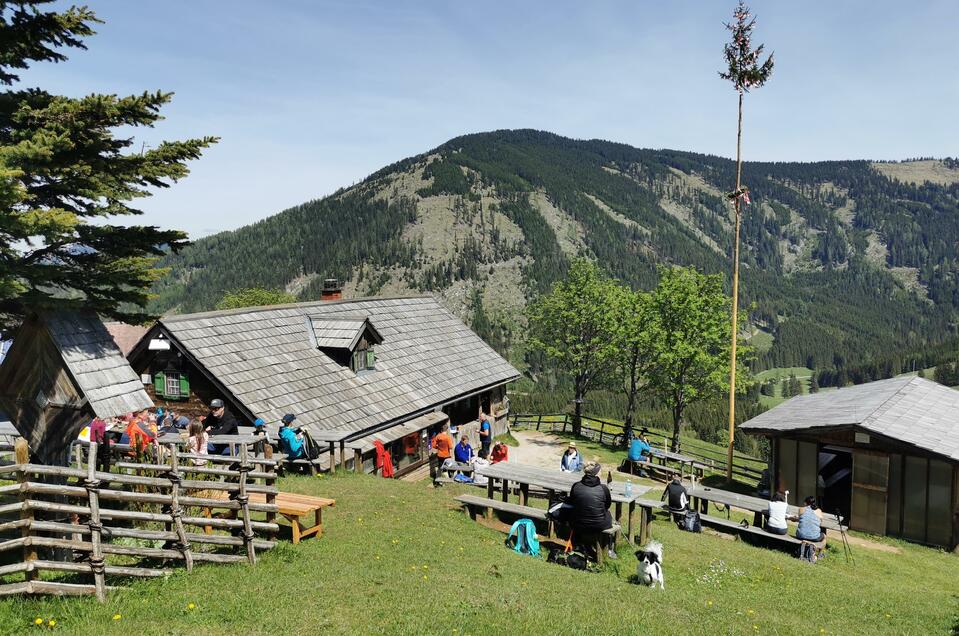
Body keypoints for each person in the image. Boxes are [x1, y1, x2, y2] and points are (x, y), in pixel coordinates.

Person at [567, 461, 616, 560]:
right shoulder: (603, 488)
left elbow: (572, 502)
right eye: (600, 471)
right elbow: (607, 505)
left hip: (578, 522)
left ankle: (580, 543)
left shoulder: (576, 485)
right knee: (609, 515)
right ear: (597, 473)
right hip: (598, 524)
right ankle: (609, 549)